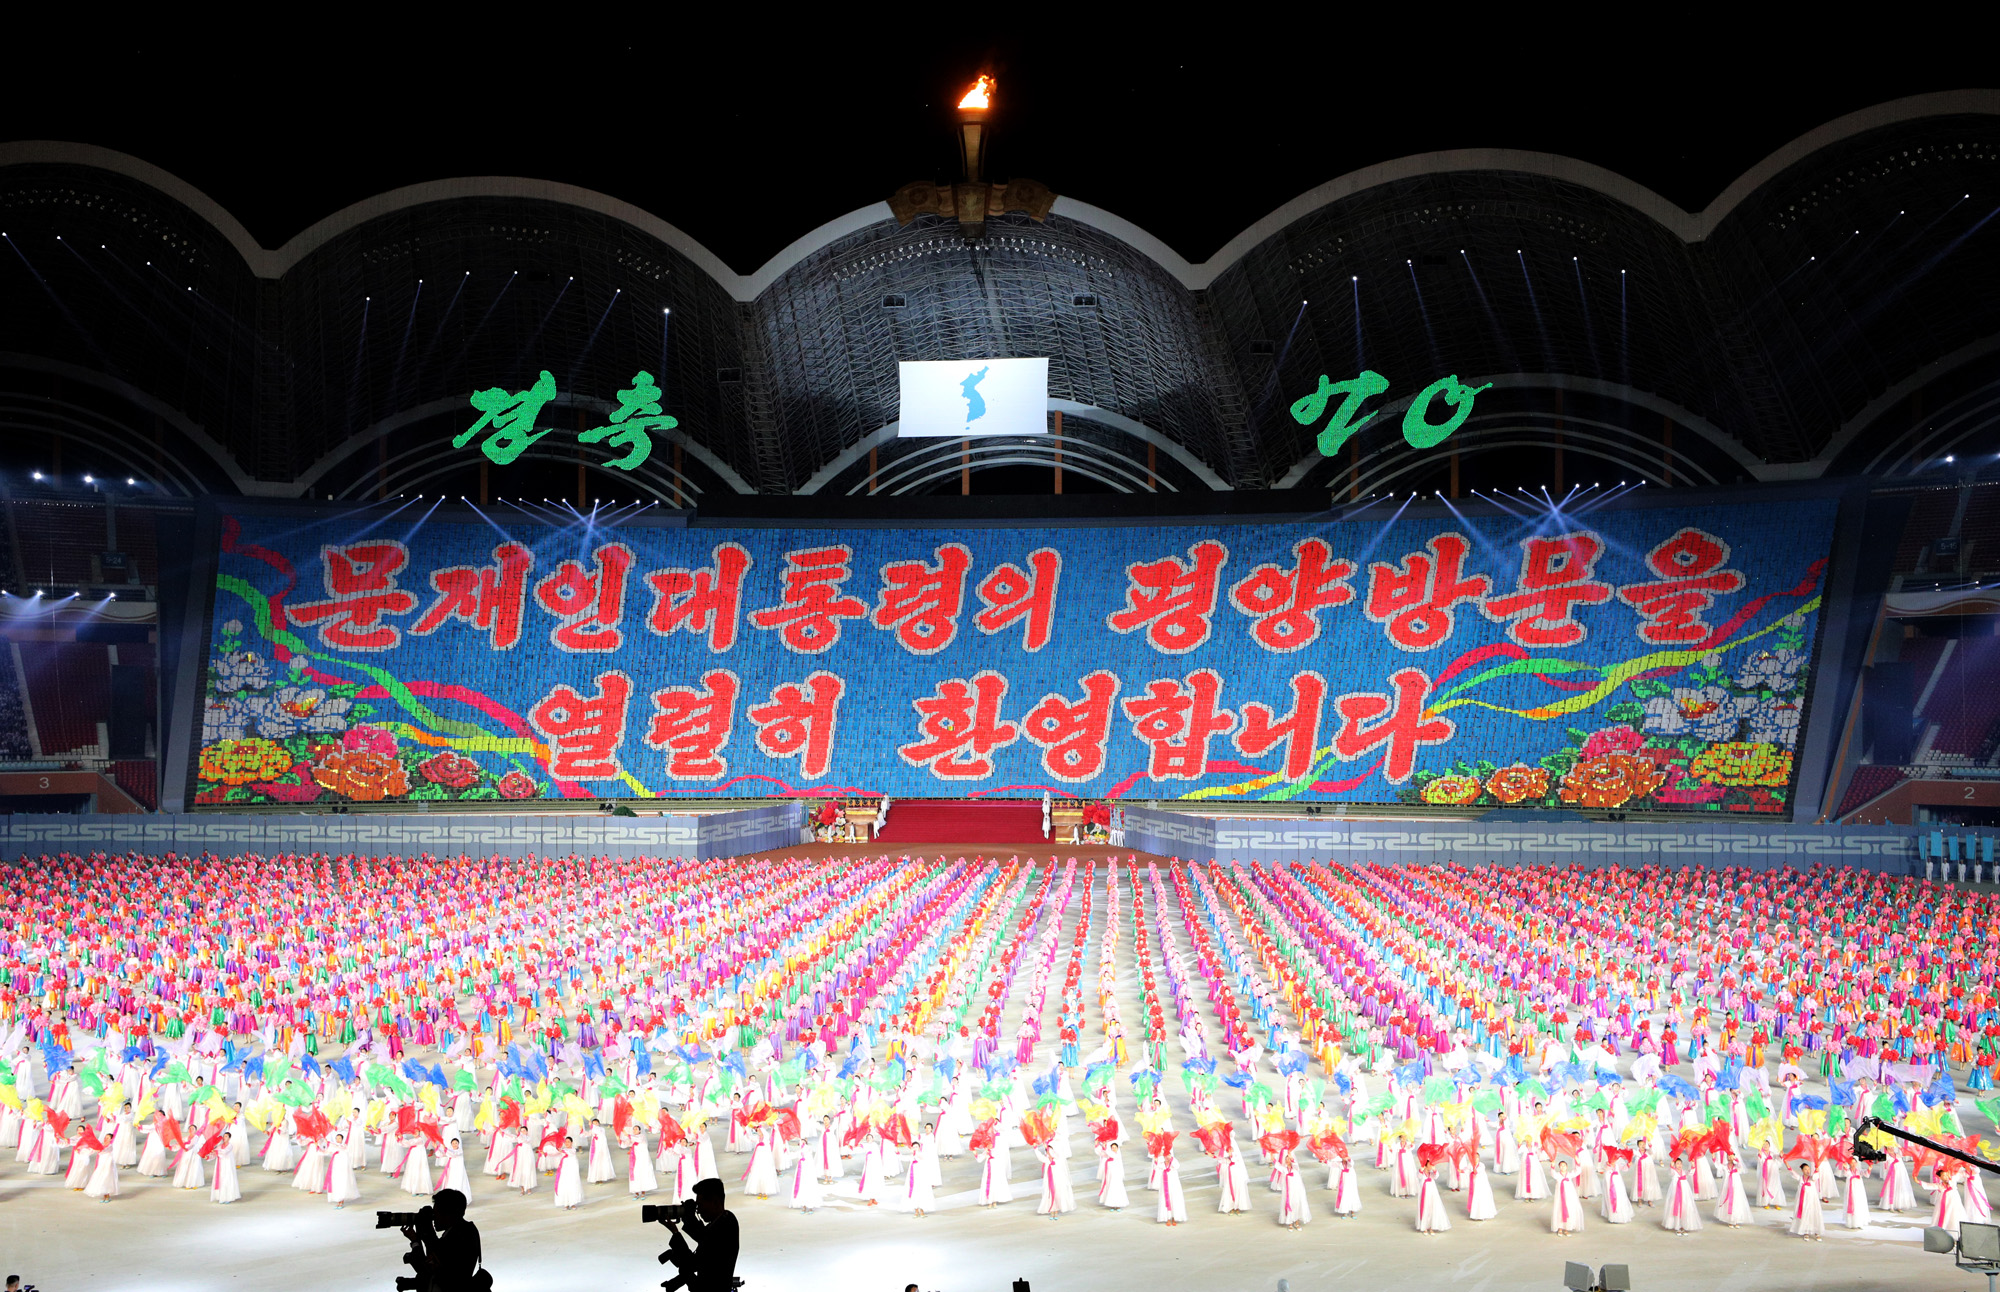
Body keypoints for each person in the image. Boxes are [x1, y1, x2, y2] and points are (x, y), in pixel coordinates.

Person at [658, 1177, 740, 1292]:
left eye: (700, 1205)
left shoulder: (724, 1225)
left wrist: (676, 1232)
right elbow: (704, 1238)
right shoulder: (726, 1219)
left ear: (715, 1202)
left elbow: (692, 1263)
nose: (698, 1211)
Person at [406, 1188, 484, 1292]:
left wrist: (417, 1240)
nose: (433, 1219)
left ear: (449, 1214)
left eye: (436, 1213)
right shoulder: (468, 1230)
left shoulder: (458, 1236)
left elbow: (429, 1267)